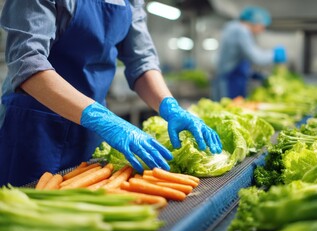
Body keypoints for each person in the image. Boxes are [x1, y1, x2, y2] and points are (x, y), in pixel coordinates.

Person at [0, 0, 222, 187]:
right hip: (35, 127)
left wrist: (169, 107)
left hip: (91, 130)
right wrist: (103, 119)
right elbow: (27, 61)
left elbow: (141, 60)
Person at [212, 6, 287, 101]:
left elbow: (236, 57)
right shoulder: (241, 30)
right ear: (256, 22)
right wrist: (274, 54)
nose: (262, 30)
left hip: (231, 77)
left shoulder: (233, 27)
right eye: (262, 26)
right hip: (231, 80)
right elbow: (256, 57)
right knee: (231, 108)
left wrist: (253, 74)